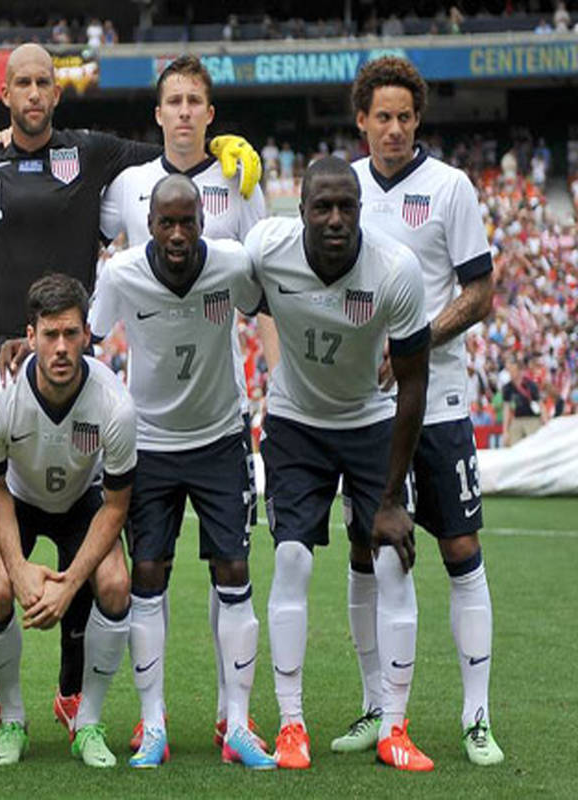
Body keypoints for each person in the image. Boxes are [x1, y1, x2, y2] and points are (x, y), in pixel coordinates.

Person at [0, 42, 260, 748]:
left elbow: (171, 152)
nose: (35, 93)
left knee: (85, 521)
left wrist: (226, 147)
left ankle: (73, 697)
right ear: (6, 93)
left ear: (57, 92)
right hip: (3, 349)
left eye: (45, 82)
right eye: (23, 83)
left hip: (72, 342)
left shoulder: (96, 154)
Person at [97, 54, 274, 755]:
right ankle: (154, 723)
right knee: (149, 574)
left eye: (194, 101)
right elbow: (88, 329)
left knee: (233, 571)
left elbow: (267, 289)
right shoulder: (125, 211)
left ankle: (238, 722)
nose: (183, 111)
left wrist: (279, 385)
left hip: (222, 429)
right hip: (150, 438)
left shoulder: (237, 200)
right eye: (173, 100)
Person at [245, 157, 433, 771]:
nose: (334, 219)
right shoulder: (266, 248)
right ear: (299, 210)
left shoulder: (395, 269)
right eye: (321, 207)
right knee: (292, 558)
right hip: (296, 422)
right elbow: (218, 282)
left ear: (360, 210)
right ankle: (291, 724)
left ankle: (394, 726)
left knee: (392, 560)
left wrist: (392, 499)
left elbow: (413, 383)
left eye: (345, 207)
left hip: (369, 420)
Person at [346, 56, 504, 766]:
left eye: (405, 117)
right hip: (365, 411)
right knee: (371, 554)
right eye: (382, 117)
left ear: (418, 121)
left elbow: (480, 293)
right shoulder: (343, 188)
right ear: (362, 120)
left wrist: (416, 340)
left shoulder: (450, 187)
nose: (394, 129)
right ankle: (378, 708)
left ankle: (477, 716)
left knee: (460, 550)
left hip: (438, 402)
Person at [0, 274, 136, 768]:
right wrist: (19, 568)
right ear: (30, 336)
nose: (61, 347)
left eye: (70, 333)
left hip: (84, 499)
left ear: (87, 335)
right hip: (17, 498)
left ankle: (87, 721)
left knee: (115, 584)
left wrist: (70, 585)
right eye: (50, 335)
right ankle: (13, 720)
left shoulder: (115, 404)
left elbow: (115, 505)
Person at [502, 360, 542, 446]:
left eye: (513, 371)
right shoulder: (507, 388)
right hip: (517, 419)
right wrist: (505, 430)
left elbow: (540, 404)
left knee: (535, 444)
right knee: (513, 444)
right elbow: (506, 410)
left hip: (532, 418)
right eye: (510, 371)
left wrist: (546, 424)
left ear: (519, 371)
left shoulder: (530, 385)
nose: (511, 373)